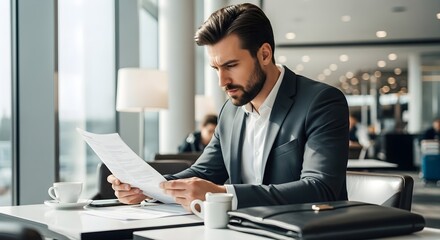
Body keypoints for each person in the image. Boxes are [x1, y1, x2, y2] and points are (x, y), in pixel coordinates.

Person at [108, 3, 349, 210]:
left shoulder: (322, 102)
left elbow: (321, 189)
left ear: (265, 54)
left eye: (231, 65)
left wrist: (223, 195)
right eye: (216, 69)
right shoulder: (230, 111)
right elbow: (203, 173)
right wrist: (148, 189)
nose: (222, 81)